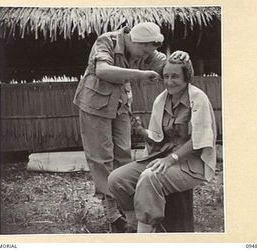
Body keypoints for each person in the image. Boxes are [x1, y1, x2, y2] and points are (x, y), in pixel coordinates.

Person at [73, 22, 189, 232]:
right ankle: (112, 214)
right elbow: (103, 70)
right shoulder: (106, 41)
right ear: (136, 41)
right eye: (145, 49)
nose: (147, 55)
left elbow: (163, 62)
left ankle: (129, 210)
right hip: (94, 104)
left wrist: (179, 57)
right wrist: (140, 74)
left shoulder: (144, 47)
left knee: (124, 156)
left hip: (120, 104)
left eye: (150, 50)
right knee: (102, 158)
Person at [108, 57, 217, 233]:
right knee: (117, 179)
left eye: (175, 76)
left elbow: (199, 140)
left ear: (186, 76)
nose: (169, 81)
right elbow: (157, 138)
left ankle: (144, 234)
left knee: (150, 177)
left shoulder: (197, 98)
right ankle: (135, 224)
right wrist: (141, 130)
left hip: (191, 162)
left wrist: (171, 159)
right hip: (163, 156)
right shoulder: (161, 100)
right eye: (166, 76)